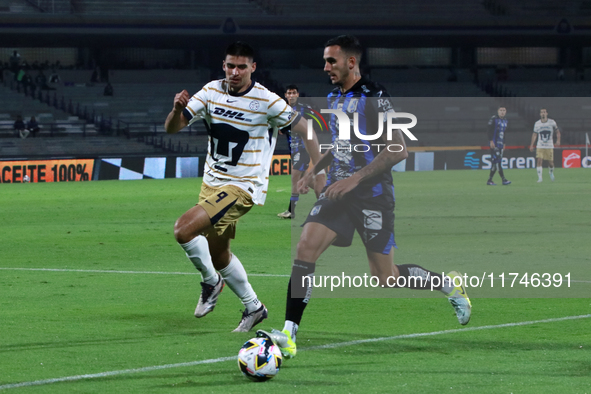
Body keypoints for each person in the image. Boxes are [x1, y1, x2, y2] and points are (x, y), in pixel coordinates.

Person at [256, 35, 472, 359]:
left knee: (387, 277)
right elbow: (343, 146)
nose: (325, 66)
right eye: (325, 60)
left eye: (332, 61)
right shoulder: (335, 96)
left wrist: (355, 179)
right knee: (304, 248)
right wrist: (317, 169)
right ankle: (288, 334)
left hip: (372, 196)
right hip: (339, 193)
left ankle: (447, 284)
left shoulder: (374, 97)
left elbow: (398, 148)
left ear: (351, 62)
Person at [164, 41, 322, 332]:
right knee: (218, 253)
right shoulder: (211, 91)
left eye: (241, 67)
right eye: (230, 66)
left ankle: (211, 283)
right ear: (223, 66)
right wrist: (176, 110)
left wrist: (315, 168)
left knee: (183, 229)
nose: (235, 72)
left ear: (253, 68)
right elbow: (172, 128)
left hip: (243, 186)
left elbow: (306, 130)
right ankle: (254, 307)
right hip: (211, 184)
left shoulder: (267, 100)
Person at [277, 84, 325, 219]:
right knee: (310, 182)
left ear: (298, 95)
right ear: (285, 95)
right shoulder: (284, 110)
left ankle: (291, 211)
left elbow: (308, 127)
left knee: (295, 178)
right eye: (289, 93)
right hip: (293, 149)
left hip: (302, 149)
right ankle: (327, 201)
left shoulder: (302, 110)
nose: (291, 96)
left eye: (294, 93)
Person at [529, 108, 561, 182]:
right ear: (540, 114)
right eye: (541, 112)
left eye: (544, 112)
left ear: (547, 113)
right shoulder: (537, 123)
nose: (543, 113)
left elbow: (557, 132)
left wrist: (558, 140)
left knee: (550, 163)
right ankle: (540, 178)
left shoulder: (552, 122)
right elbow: (534, 134)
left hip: (549, 145)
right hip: (540, 145)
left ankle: (551, 172)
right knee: (539, 160)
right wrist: (531, 145)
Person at [486, 106, 511, 186]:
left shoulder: (505, 121)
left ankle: (489, 180)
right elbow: (489, 130)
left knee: (495, 163)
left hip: (500, 144)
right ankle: (504, 179)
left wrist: (504, 142)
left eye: (504, 110)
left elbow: (504, 133)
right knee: (498, 161)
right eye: (501, 110)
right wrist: (491, 141)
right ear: (498, 111)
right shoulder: (494, 119)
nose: (502, 112)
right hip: (494, 144)